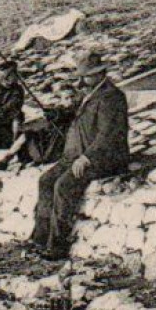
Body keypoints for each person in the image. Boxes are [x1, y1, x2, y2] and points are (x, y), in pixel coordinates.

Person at [29, 51, 130, 260]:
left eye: (86, 76)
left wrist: (87, 158)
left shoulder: (112, 97)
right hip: (75, 155)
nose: (81, 81)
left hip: (102, 158)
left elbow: (108, 134)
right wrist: (56, 114)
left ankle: (57, 245)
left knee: (63, 186)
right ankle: (39, 239)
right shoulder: (90, 93)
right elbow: (73, 113)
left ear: (100, 73)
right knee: (46, 181)